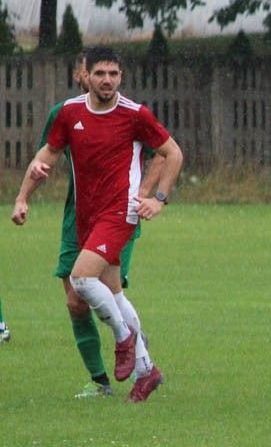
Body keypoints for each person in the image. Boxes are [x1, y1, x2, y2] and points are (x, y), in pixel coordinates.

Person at [12, 47, 182, 402]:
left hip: (119, 211)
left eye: (114, 74)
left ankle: (123, 338)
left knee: (81, 279)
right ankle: (147, 370)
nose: (107, 80)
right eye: (101, 73)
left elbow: (173, 153)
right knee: (114, 294)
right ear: (85, 75)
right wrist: (23, 196)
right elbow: (45, 156)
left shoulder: (135, 114)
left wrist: (158, 199)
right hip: (86, 215)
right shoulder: (69, 112)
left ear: (121, 76)